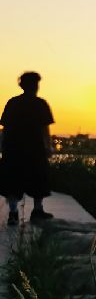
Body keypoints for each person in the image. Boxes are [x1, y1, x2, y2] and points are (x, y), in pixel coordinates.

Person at [0, 71, 55, 226]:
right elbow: (45, 129)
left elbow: (5, 128)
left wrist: (2, 147)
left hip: (13, 149)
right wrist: (48, 146)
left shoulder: (13, 103)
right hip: (35, 149)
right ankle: (37, 211)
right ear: (35, 85)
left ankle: (13, 213)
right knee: (39, 180)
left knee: (13, 181)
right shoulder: (40, 104)